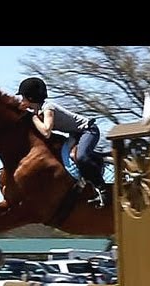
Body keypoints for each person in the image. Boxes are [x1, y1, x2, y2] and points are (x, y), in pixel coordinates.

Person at [16, 77, 108, 208]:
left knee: (81, 157)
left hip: (88, 130)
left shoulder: (48, 109)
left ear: (31, 98)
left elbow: (47, 131)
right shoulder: (36, 110)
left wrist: (34, 118)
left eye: (23, 97)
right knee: (68, 156)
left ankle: (102, 190)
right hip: (75, 134)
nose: (22, 100)